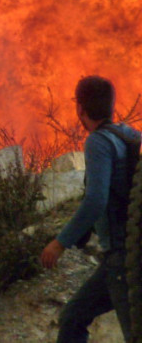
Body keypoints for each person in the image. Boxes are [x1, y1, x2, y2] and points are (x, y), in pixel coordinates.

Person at [40, 76, 138, 342]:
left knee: (134, 332)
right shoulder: (129, 135)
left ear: (80, 108)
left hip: (121, 259)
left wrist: (60, 243)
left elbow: (96, 200)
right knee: (73, 317)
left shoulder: (98, 142)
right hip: (130, 252)